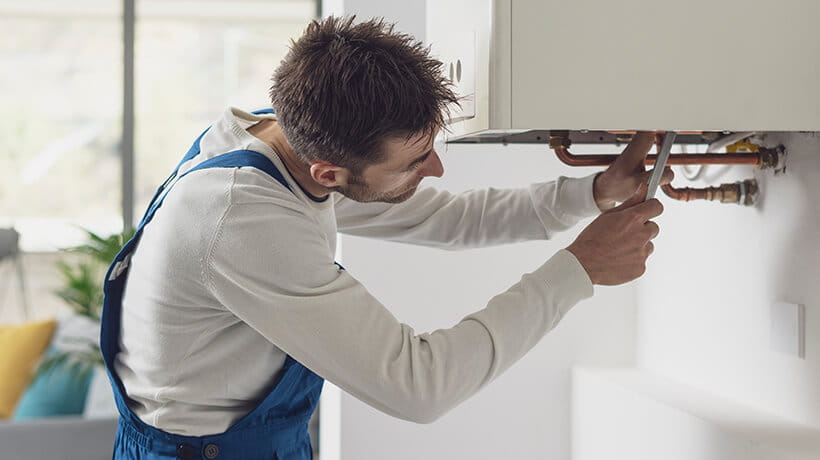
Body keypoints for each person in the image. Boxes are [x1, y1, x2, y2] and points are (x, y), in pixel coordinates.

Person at [100, 16, 671, 460]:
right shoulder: (244, 219)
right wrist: (579, 268)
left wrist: (594, 191)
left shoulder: (279, 136)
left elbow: (446, 218)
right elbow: (419, 385)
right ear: (329, 174)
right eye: (417, 161)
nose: (437, 171)